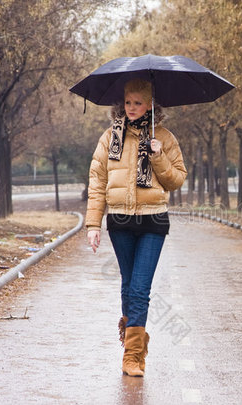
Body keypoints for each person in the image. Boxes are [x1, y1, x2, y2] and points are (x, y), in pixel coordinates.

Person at [85, 79, 187, 377]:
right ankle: (135, 337)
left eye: (138, 103)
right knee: (129, 286)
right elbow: (97, 181)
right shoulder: (109, 138)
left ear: (150, 105)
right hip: (119, 221)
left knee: (140, 288)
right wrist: (93, 224)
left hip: (153, 221)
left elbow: (176, 180)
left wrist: (158, 156)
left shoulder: (164, 138)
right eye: (128, 102)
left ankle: (132, 356)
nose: (131, 108)